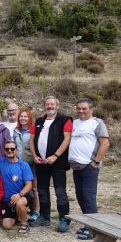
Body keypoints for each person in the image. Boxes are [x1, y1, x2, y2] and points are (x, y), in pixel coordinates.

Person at [29, 96, 73, 233]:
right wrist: (35, 155)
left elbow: (67, 139)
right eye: (47, 104)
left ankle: (64, 218)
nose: (50, 106)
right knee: (42, 190)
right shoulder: (38, 121)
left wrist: (55, 156)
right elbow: (31, 140)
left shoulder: (65, 119)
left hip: (57, 162)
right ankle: (44, 216)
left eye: (52, 104)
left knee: (60, 191)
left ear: (57, 106)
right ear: (44, 106)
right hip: (41, 162)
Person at [68, 98, 109, 240]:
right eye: (78, 108)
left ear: (91, 108)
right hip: (76, 166)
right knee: (80, 196)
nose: (81, 111)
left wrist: (96, 162)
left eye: (84, 108)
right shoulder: (74, 123)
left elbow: (105, 143)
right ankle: (89, 224)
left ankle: (93, 229)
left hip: (89, 166)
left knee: (88, 196)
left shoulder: (97, 123)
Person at [0, 140, 33, 234]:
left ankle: (24, 223)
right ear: (4, 151)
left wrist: (19, 195)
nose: (10, 150)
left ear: (16, 150)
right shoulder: (1, 162)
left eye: (12, 148)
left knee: (20, 203)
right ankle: (18, 215)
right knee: (6, 226)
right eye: (7, 149)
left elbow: (29, 184)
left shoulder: (23, 165)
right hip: (7, 199)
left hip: (22, 195)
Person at [13, 108, 40, 223]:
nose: (23, 118)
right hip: (19, 163)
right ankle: (22, 209)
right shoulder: (16, 130)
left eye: (25, 116)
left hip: (31, 163)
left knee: (34, 188)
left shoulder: (33, 130)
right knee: (21, 187)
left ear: (29, 118)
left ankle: (36, 211)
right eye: (21, 116)